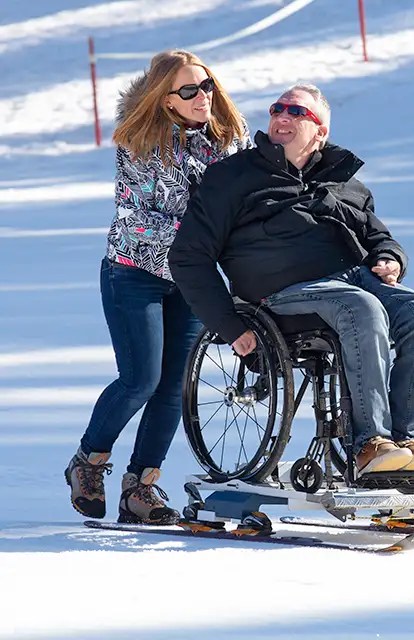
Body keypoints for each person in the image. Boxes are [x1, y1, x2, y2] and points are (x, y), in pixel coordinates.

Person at [168, 83, 414, 476]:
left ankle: (409, 441)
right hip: (279, 295)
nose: (283, 116)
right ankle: (370, 445)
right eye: (278, 109)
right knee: (359, 307)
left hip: (354, 281)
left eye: (297, 112)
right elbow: (188, 255)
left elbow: (378, 236)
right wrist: (227, 324)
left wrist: (389, 259)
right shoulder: (232, 177)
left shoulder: (343, 180)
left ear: (321, 132)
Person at [65, 50, 252, 524]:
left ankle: (140, 487)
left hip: (191, 280)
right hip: (134, 272)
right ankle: (88, 462)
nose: (201, 96)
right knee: (141, 379)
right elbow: (145, 216)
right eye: (188, 90)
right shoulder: (139, 139)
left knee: (174, 388)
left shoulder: (230, 140)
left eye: (206, 85)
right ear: (165, 99)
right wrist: (205, 245)